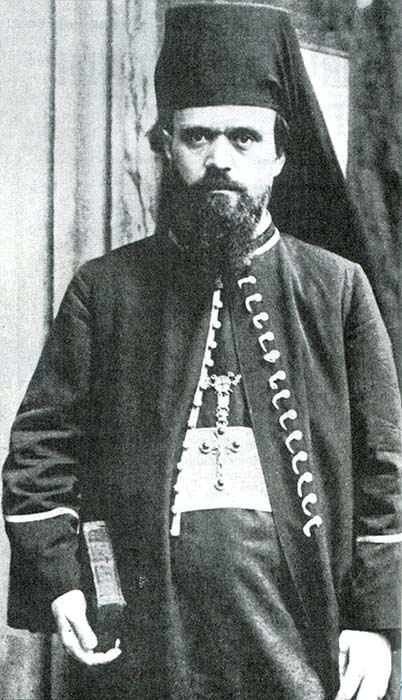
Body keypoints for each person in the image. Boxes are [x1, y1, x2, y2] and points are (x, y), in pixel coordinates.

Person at [3, 4, 402, 700]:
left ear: (279, 156)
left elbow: (387, 469)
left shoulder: (338, 289)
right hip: (148, 636)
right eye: (198, 137)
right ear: (167, 147)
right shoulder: (106, 289)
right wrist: (62, 582)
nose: (220, 159)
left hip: (302, 626)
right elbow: (40, 453)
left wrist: (376, 622)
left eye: (244, 138)